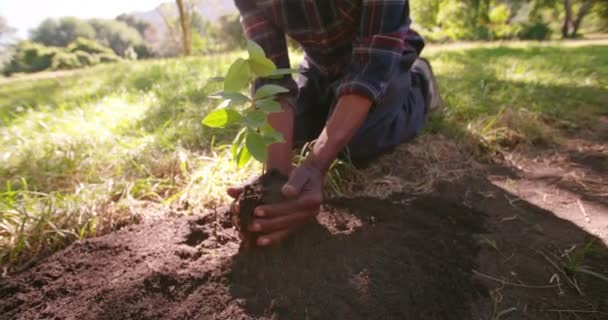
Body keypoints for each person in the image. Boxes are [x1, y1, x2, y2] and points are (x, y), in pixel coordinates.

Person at [228, 0, 443, 247]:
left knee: (357, 143)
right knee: (293, 132)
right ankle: (334, 97)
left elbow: (370, 71)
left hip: (383, 58)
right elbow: (272, 76)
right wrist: (276, 181)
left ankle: (421, 83)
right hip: (320, 65)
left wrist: (316, 166)